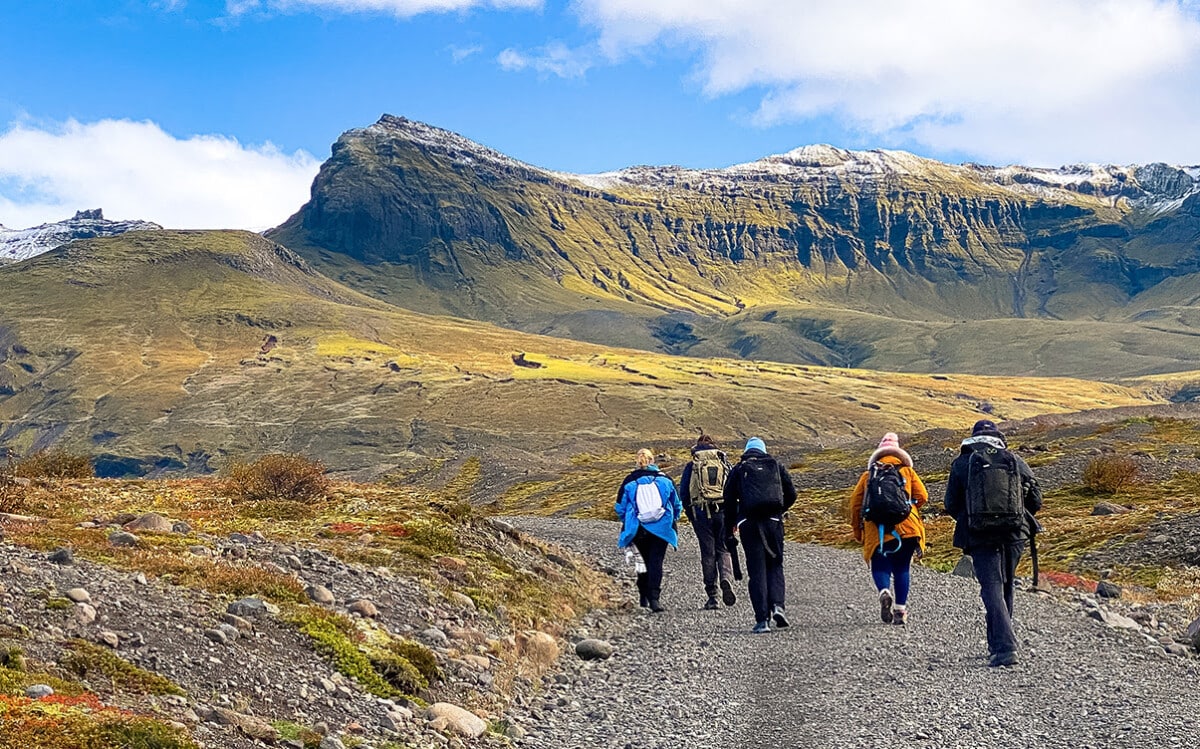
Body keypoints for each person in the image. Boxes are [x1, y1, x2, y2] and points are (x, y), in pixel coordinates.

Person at [943, 420, 1043, 667]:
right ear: (998, 438)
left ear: (973, 437)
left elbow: (950, 504)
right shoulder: (1015, 460)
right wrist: (1015, 517)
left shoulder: (962, 463)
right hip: (1014, 533)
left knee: (991, 588)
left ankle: (1004, 647)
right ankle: (998, 644)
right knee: (1007, 585)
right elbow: (1036, 500)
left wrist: (973, 519)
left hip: (979, 535)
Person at [848, 433, 928, 626]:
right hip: (907, 528)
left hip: (878, 530)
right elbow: (923, 496)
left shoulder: (868, 476)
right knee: (902, 568)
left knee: (881, 566)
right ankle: (900, 610)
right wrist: (910, 505)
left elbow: (855, 505)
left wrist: (859, 532)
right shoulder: (908, 472)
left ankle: (884, 591)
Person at [724, 437, 796, 633]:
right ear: (763, 450)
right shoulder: (775, 466)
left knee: (756, 570)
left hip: (749, 525)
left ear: (747, 451)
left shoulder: (739, 469)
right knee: (775, 565)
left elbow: (728, 500)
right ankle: (778, 606)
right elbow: (792, 494)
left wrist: (730, 526)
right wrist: (779, 510)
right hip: (773, 523)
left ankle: (762, 620)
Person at [616, 448, 683, 613]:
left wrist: (628, 520)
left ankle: (643, 597)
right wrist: (673, 519)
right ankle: (655, 599)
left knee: (642, 562)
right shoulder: (665, 480)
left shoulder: (629, 480)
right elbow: (677, 504)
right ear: (652, 461)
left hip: (638, 528)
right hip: (661, 528)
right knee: (656, 562)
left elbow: (620, 507)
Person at [680, 434, 737, 610]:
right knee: (723, 549)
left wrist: (691, 515)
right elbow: (734, 491)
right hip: (723, 512)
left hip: (701, 513)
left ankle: (712, 596)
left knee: (708, 553)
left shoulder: (692, 466)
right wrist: (734, 518)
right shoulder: (724, 463)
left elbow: (684, 493)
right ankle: (726, 578)